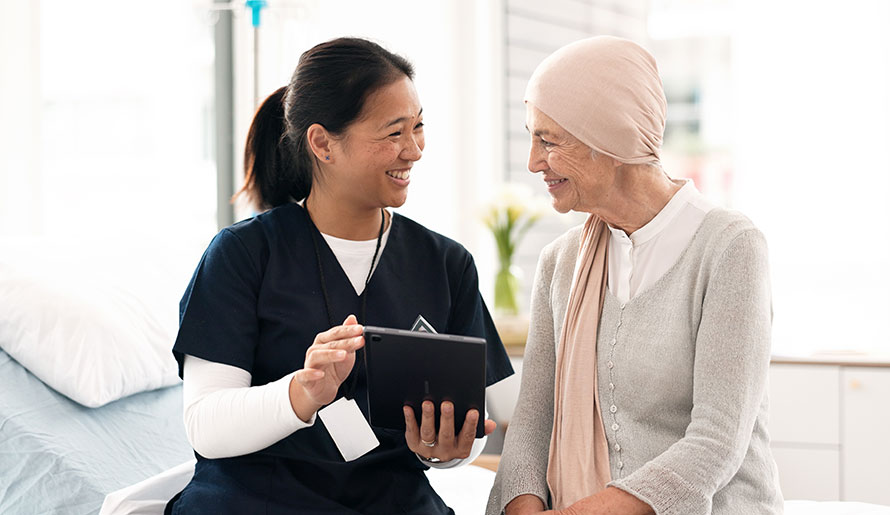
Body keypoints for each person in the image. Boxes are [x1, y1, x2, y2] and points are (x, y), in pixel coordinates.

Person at [165, 37, 513, 514]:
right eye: (393, 133)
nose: (413, 150)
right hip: (258, 500)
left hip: (393, 502)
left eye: (418, 127)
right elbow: (206, 424)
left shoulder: (445, 264)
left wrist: (448, 452)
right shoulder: (244, 254)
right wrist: (301, 393)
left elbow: (474, 427)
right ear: (323, 143)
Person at [487, 36, 783, 515]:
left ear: (610, 141)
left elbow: (716, 442)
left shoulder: (729, 247)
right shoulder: (559, 264)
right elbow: (533, 423)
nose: (533, 161)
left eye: (548, 140)